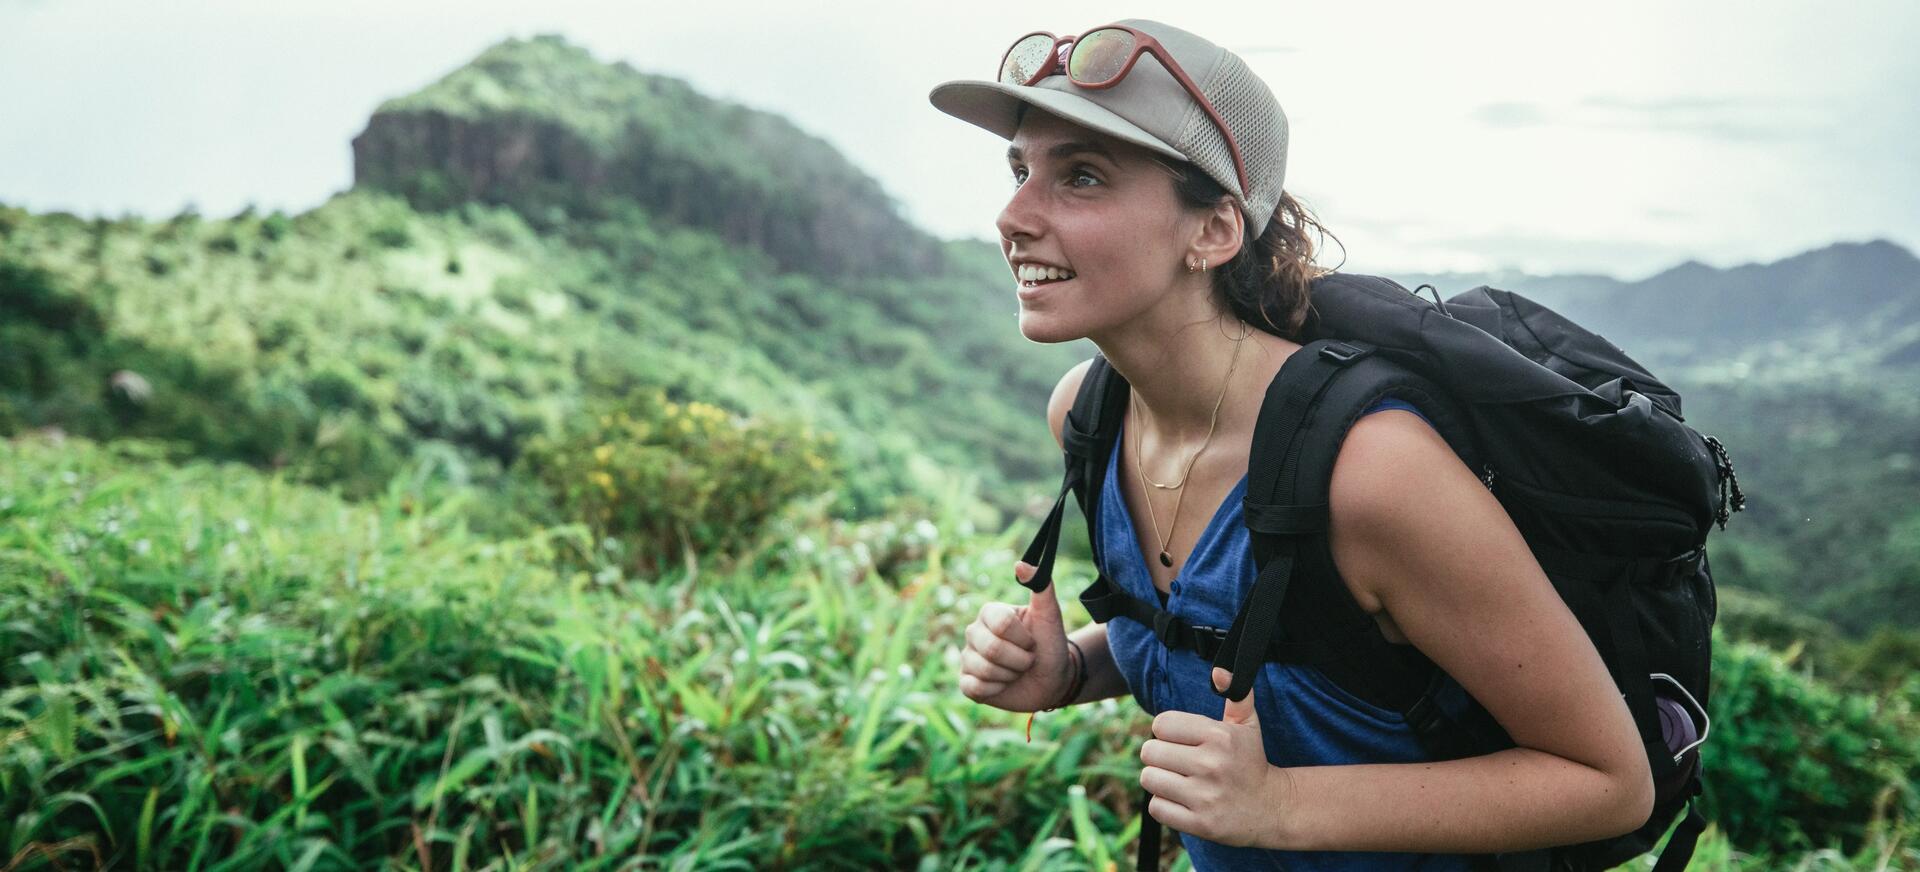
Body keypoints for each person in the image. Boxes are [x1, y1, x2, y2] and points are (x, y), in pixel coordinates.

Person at [931, 19, 1654, 870]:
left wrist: (1278, 806)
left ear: (1214, 232)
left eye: (1082, 178)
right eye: (1021, 170)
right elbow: (1269, 638)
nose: (1013, 216)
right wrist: (1074, 673)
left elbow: (1608, 780)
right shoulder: (1088, 419)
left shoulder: (1372, 471)